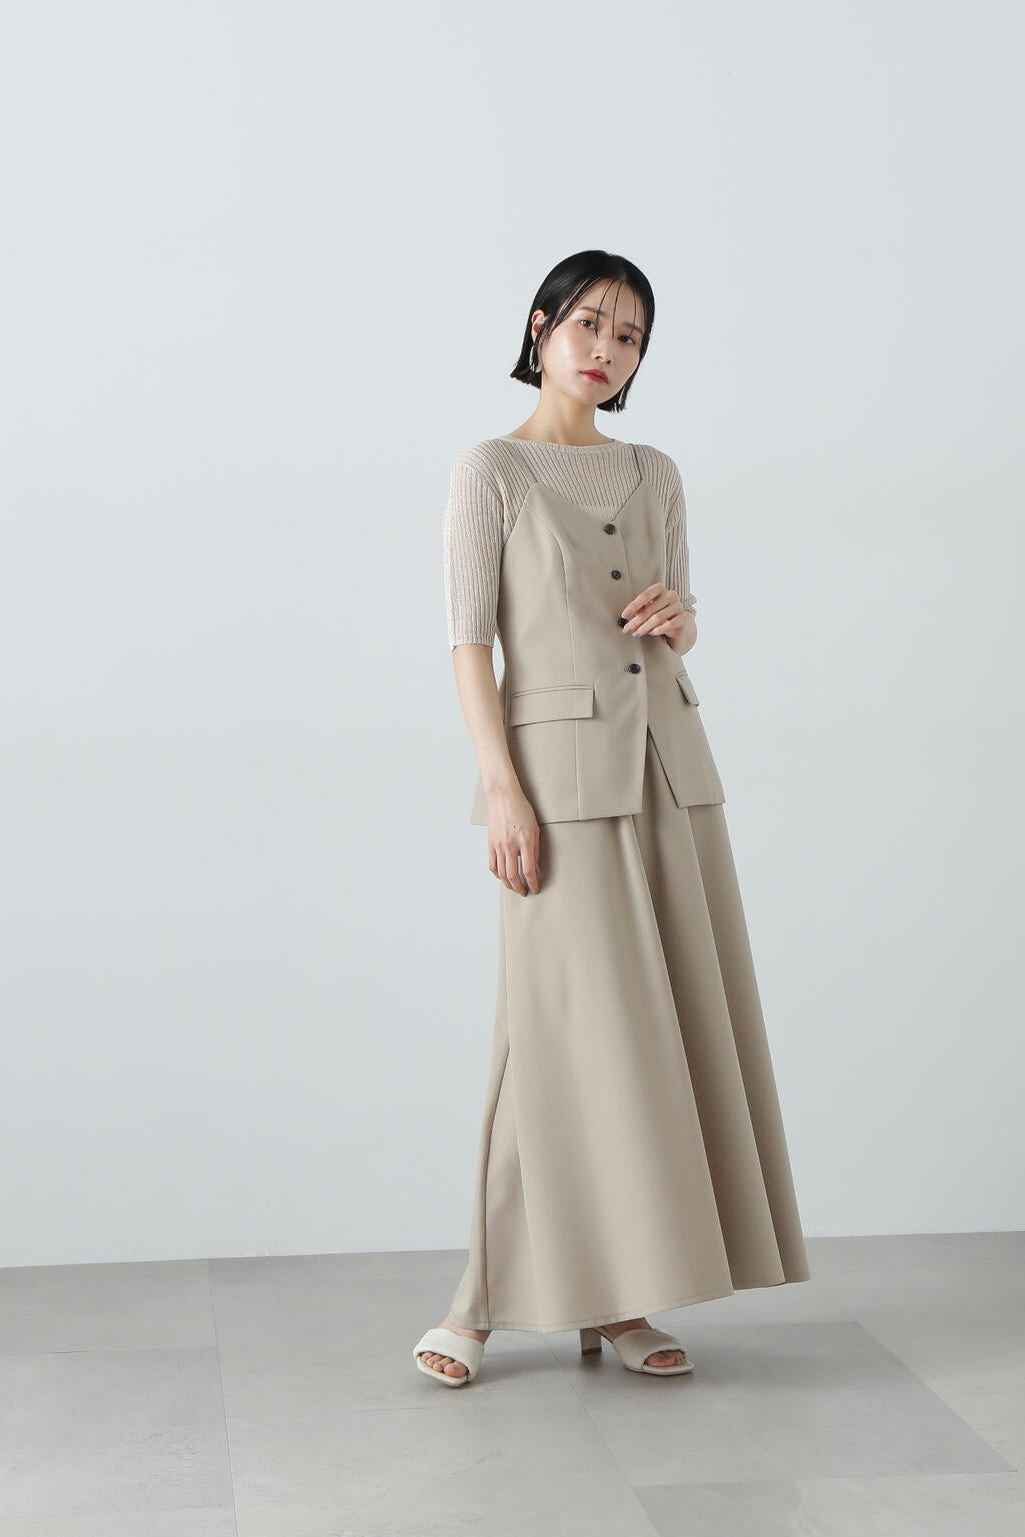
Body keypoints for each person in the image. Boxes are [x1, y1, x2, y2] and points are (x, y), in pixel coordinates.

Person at [413, 250, 811, 1387]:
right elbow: (467, 643)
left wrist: (681, 617)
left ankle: (619, 1299)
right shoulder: (491, 470)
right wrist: (501, 787)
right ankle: (476, 1304)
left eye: (629, 336)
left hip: (669, 773)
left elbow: (676, 626)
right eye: (589, 323)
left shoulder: (653, 471)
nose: (606, 349)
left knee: (649, 1036)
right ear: (540, 325)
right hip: (556, 781)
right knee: (551, 1033)